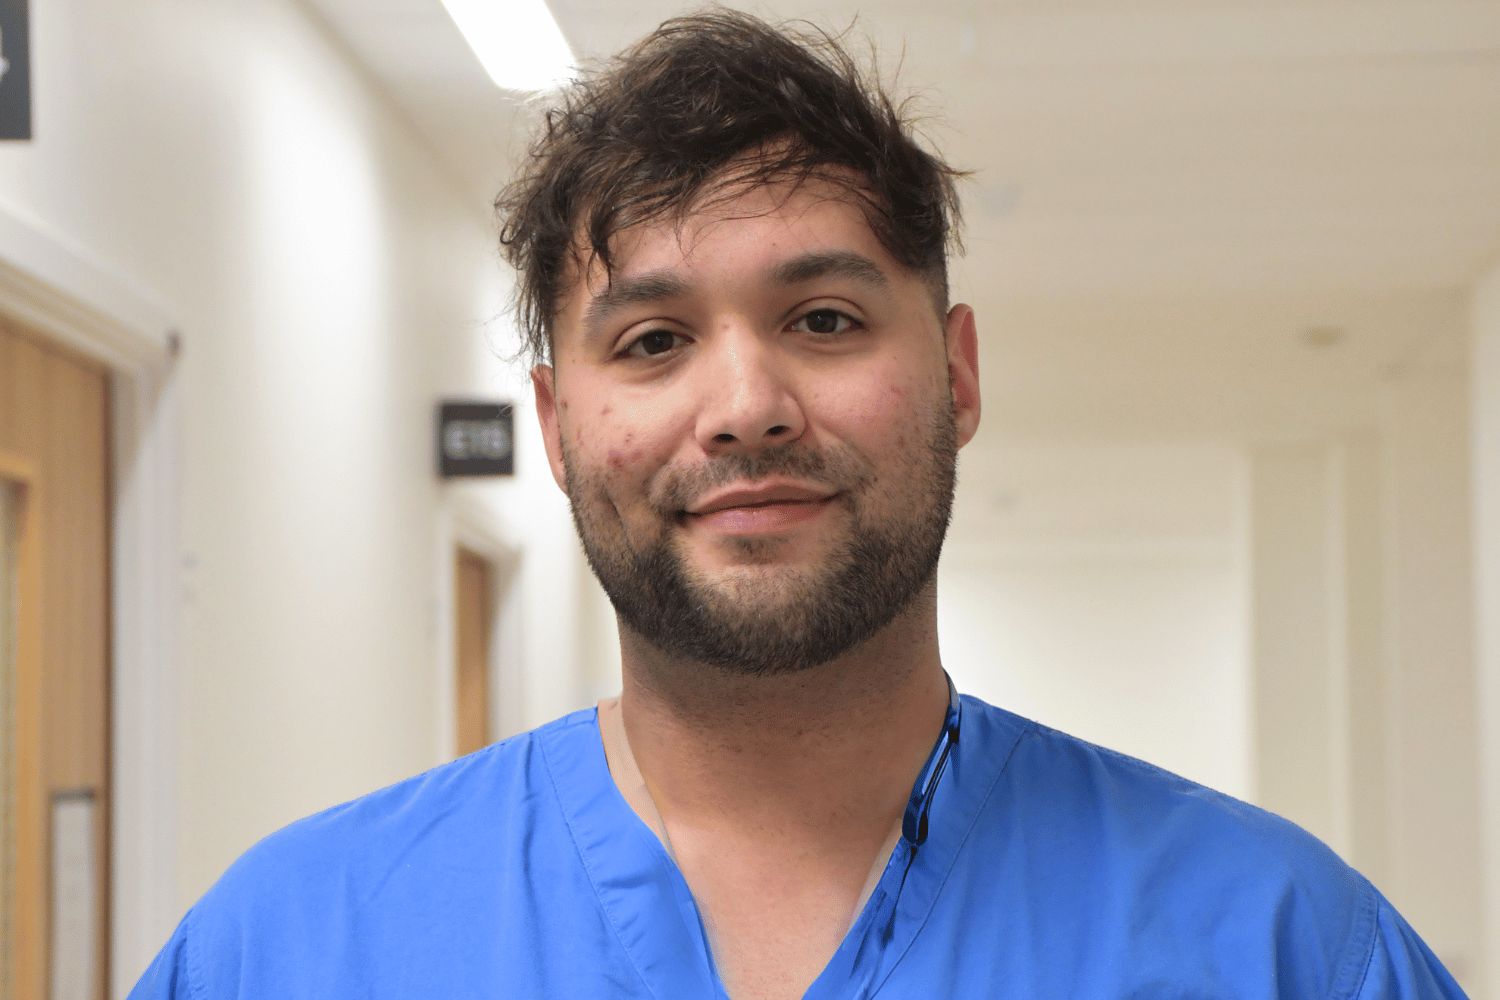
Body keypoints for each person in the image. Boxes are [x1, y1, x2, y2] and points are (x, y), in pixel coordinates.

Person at [130, 11, 1466, 1000]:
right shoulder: (299, 946)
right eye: (652, 341)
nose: (745, 404)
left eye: (822, 319)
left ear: (955, 376)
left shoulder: (1278, 946)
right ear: (554, 428)